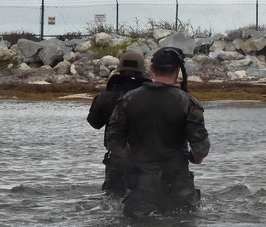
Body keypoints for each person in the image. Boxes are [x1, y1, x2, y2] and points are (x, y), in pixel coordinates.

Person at [104, 47, 210, 217]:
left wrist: (131, 159)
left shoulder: (128, 100)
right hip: (178, 185)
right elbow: (201, 149)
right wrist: (193, 159)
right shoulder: (188, 103)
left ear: (152, 68)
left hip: (140, 186)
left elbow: (114, 142)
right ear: (177, 70)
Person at [86, 51, 150, 193]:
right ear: (142, 73)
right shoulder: (153, 97)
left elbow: (94, 122)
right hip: (148, 161)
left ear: (119, 71)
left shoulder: (106, 97)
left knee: (113, 201)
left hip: (117, 159)